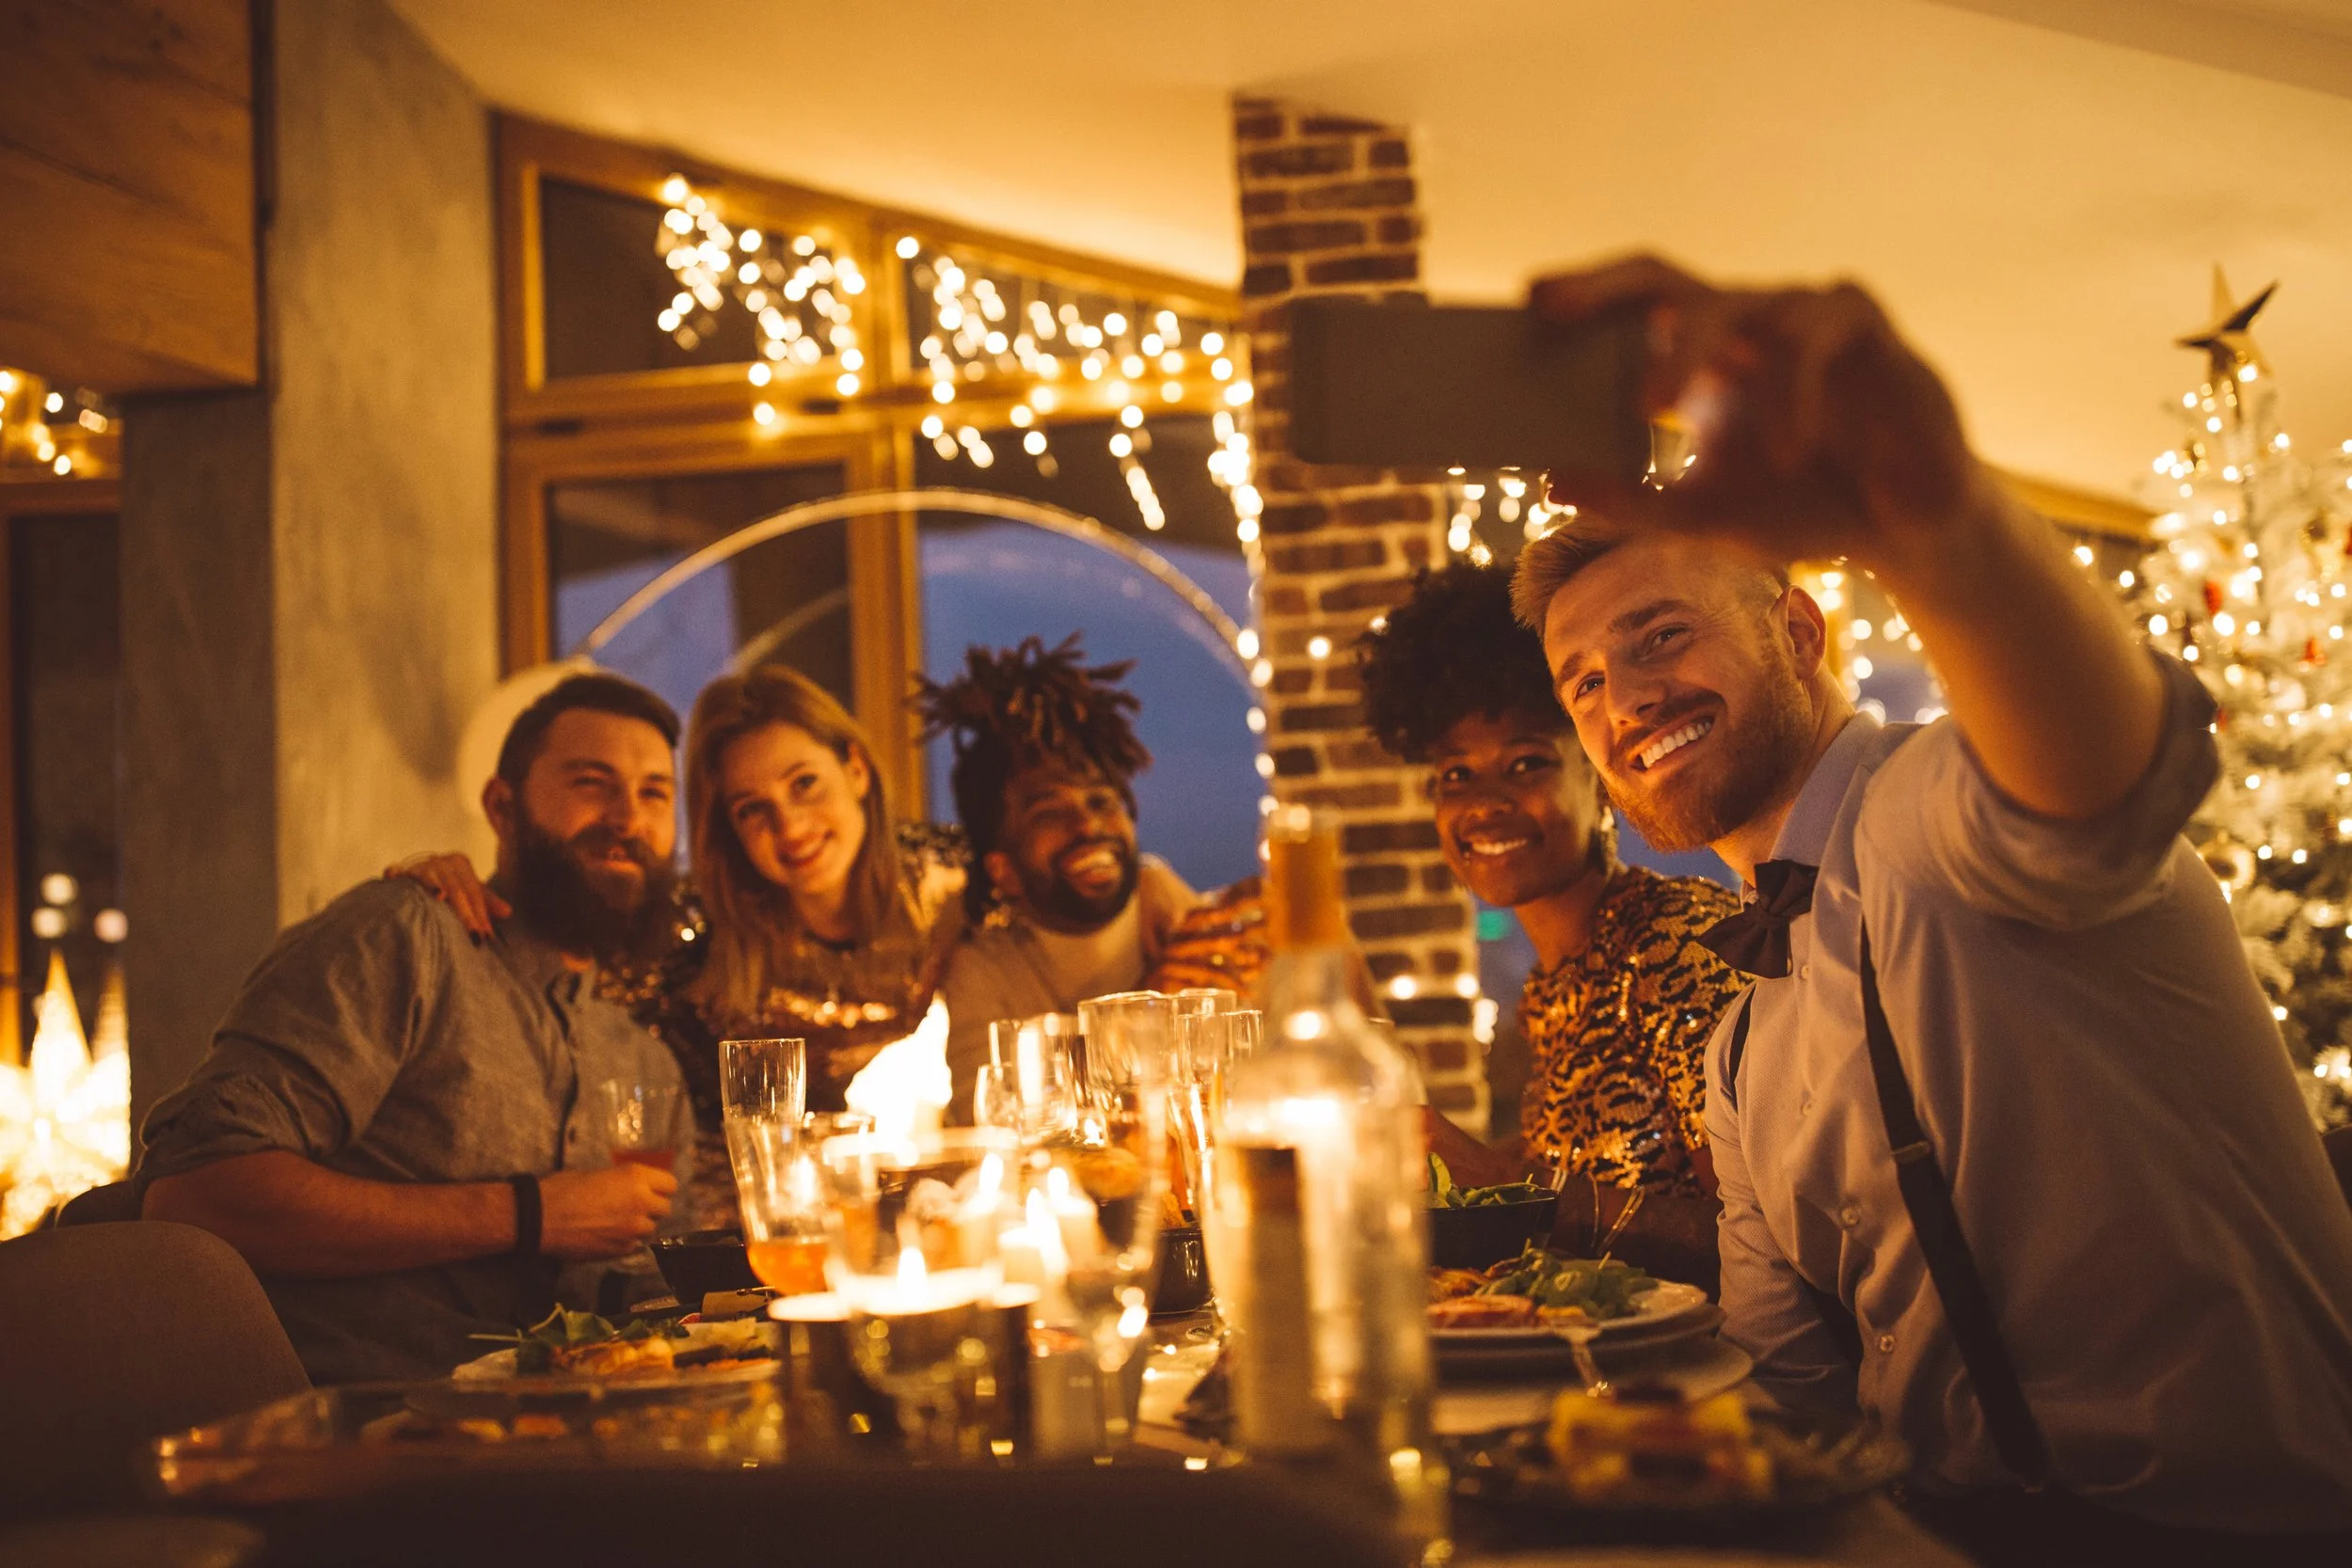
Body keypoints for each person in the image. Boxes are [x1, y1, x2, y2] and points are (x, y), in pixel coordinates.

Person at [1512, 254, 2352, 1554]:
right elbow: (1778, 1395)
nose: (1622, 696)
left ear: (1798, 631)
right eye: (1582, 680)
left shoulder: (1940, 807)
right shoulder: (1739, 1054)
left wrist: (1930, 516)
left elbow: (2117, 772)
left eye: (1662, 633)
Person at [139, 674, 695, 1383]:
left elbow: (665, 1291)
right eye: (593, 782)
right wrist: (527, 1213)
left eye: (655, 792)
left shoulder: (642, 1062)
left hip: (564, 1443)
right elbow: (195, 1194)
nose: (628, 816)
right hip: (357, 1426)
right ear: (503, 806)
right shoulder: (407, 937)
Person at [393, 664, 965, 1230]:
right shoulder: (693, 930)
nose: (789, 826)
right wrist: (447, 880)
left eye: (805, 783)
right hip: (725, 1227)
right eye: (751, 808)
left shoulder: (952, 883)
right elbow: (550, 945)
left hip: (890, 1203)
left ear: (856, 770)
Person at [1357, 562, 1742, 1281]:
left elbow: (1761, 1247)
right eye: (1456, 776)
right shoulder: (1550, 986)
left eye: (1527, 762)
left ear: (1600, 778)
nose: (1485, 803)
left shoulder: (1672, 940)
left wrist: (1497, 1185)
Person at [916, 635, 1264, 1115]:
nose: (1088, 826)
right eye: (1047, 814)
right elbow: (990, 1125)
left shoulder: (1205, 938)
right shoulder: (986, 972)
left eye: (1102, 800)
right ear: (1004, 870)